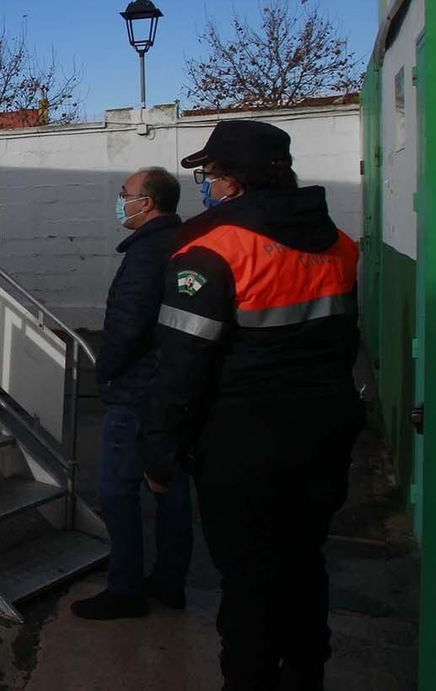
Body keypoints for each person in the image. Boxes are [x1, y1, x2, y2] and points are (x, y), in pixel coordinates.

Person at [142, 120, 363, 690]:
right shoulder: (337, 243)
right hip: (325, 438)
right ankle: (306, 672)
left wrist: (160, 450)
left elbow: (180, 367)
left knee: (248, 581)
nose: (205, 185)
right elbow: (343, 343)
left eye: (209, 174)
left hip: (244, 448)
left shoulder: (212, 249)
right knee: (303, 561)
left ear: (234, 183)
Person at [72, 167, 192, 620]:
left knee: (117, 490)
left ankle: (125, 589)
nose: (120, 201)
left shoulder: (147, 253)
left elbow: (128, 324)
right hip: (171, 386)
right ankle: (168, 582)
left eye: (125, 194)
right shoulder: (179, 242)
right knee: (170, 485)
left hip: (138, 391)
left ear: (148, 202)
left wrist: (105, 373)